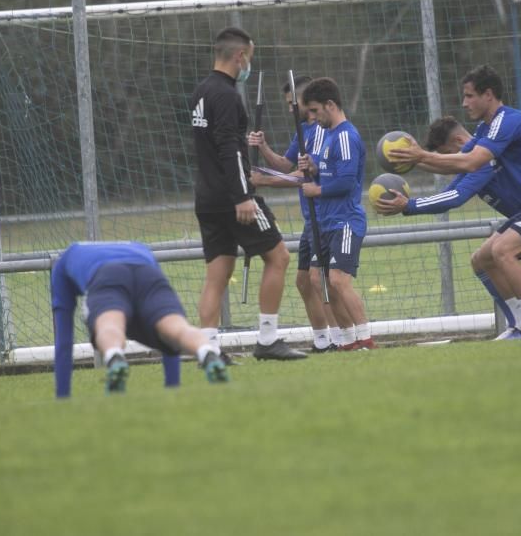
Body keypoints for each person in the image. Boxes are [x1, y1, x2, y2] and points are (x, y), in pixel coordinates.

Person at [387, 66, 521, 339]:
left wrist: (411, 201)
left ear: (488, 95)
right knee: (482, 259)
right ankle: (519, 326)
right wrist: (417, 159)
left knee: (502, 250)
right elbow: (457, 168)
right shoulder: (484, 130)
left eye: (469, 96)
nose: (464, 103)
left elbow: (467, 169)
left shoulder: (507, 121)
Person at [190, 26, 306, 360]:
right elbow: (228, 148)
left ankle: (208, 348)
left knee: (217, 273)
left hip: (207, 198)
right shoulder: (227, 96)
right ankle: (268, 340)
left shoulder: (200, 92)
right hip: (233, 198)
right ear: (240, 56)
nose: (248, 65)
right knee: (279, 257)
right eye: (249, 58)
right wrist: (243, 196)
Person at [50, 241, 228, 397]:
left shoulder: (64, 262)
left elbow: (64, 340)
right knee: (176, 328)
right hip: (147, 273)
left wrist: (62, 395)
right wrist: (173, 386)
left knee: (110, 326)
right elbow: (166, 342)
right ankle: (206, 352)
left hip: (106, 274)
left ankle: (114, 356)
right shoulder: (137, 246)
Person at [248, 76, 343, 352]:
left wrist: (263, 180)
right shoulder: (302, 130)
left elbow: (301, 176)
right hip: (308, 219)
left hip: (323, 216)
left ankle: (340, 338)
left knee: (319, 279)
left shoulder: (323, 131)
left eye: (293, 104)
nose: (290, 109)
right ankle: (322, 340)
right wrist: (263, 147)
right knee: (304, 281)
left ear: (306, 102)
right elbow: (285, 164)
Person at [296, 77, 377, 350]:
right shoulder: (329, 136)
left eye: (316, 111)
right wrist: (313, 167)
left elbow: (345, 181)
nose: (313, 117)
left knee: (339, 280)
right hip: (326, 222)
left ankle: (366, 339)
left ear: (330, 105)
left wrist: (315, 191)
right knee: (318, 279)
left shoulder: (345, 136)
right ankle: (348, 341)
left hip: (345, 222)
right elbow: (329, 171)